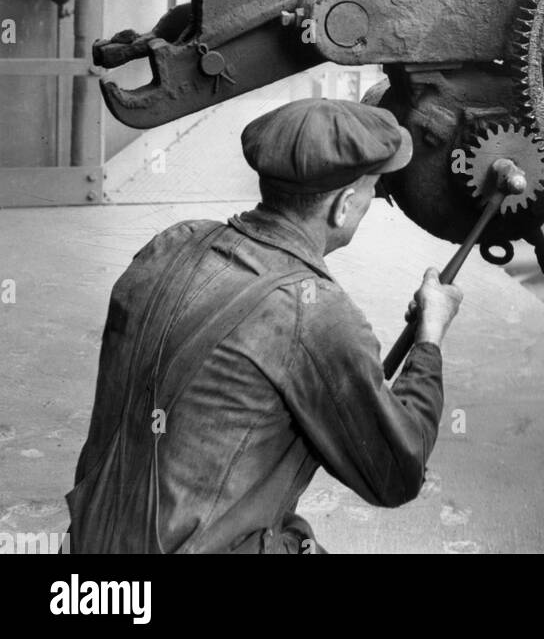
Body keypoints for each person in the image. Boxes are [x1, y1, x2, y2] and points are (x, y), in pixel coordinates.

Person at [66, 98, 463, 554]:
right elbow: (397, 473)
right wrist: (429, 338)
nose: (371, 200)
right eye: (372, 188)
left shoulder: (172, 243)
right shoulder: (316, 314)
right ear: (343, 206)